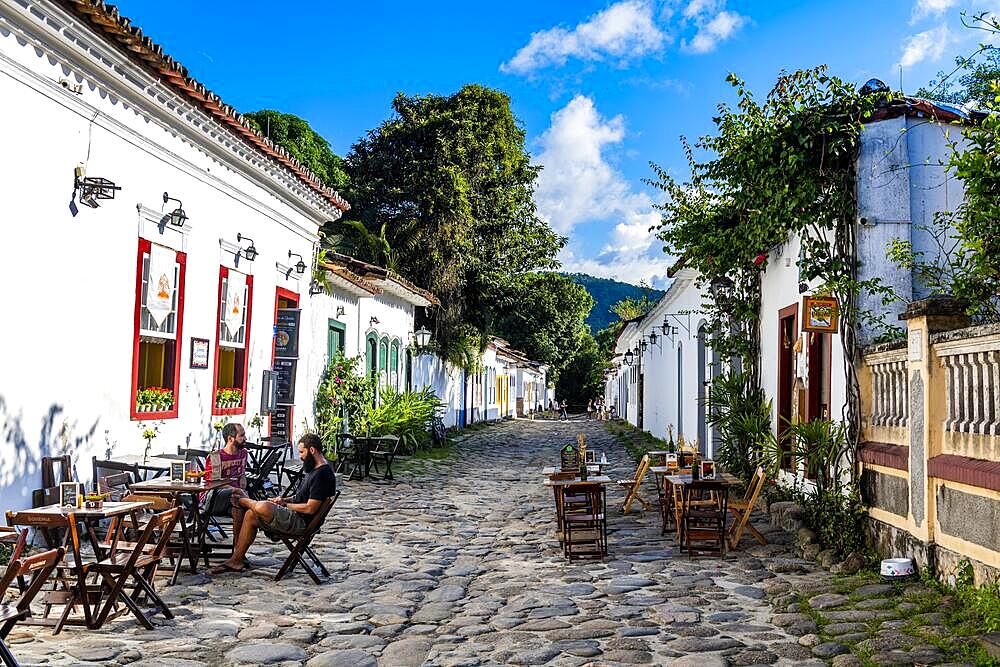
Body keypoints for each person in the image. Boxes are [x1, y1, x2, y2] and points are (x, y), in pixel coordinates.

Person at [211, 433, 336, 574]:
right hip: (296, 517)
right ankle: (237, 560)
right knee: (251, 515)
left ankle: (243, 500)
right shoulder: (315, 469)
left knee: (263, 506)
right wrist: (284, 500)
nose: (300, 456)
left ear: (312, 450)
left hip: (300, 523)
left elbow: (309, 508)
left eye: (302, 452)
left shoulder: (322, 474)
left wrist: (284, 506)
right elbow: (301, 497)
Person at [203, 422, 248, 541]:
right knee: (238, 496)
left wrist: (243, 479)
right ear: (230, 438)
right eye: (242, 436)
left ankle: (237, 551)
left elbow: (242, 474)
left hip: (235, 499)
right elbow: (212, 484)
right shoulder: (216, 457)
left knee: (239, 509)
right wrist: (236, 489)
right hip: (214, 498)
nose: (245, 439)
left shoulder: (243, 453)